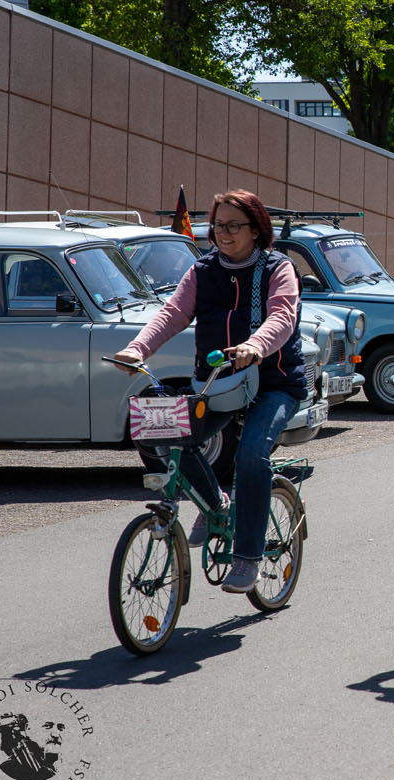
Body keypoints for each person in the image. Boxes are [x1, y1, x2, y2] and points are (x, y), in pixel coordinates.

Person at [114, 189, 308, 594]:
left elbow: (283, 316)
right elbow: (171, 314)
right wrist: (136, 349)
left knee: (252, 454)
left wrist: (255, 346)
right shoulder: (202, 271)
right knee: (161, 434)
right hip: (216, 384)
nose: (223, 233)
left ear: (256, 230)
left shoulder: (278, 268)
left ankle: (248, 556)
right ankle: (215, 502)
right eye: (218, 225)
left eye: (234, 226)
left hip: (274, 383)